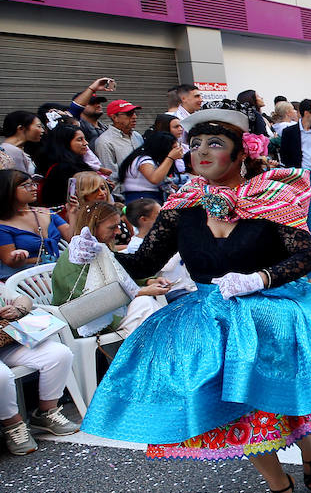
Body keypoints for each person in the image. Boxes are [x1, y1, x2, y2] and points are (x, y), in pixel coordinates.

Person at [74, 105, 311, 493]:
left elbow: (306, 257)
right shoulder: (182, 207)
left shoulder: (272, 197)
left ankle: (308, 447)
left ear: (241, 155)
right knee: (238, 414)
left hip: (266, 315)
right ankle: (278, 484)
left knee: (274, 404)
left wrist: (259, 278)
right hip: (206, 321)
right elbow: (145, 262)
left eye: (215, 144)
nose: (200, 152)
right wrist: (100, 254)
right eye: (194, 144)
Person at [52, 202, 169, 338]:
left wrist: (149, 281)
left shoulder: (100, 247)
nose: (118, 232)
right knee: (145, 306)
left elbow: (120, 272)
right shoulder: (77, 257)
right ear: (93, 227)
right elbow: (89, 303)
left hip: (109, 310)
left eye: (118, 226)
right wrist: (140, 291)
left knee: (147, 308)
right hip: (83, 321)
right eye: (112, 227)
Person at [0, 287, 79, 454]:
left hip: (8, 341)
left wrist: (17, 309)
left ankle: (46, 412)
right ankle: (13, 425)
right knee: (2, 376)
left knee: (59, 354)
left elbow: (24, 299)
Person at [0, 169, 71, 280]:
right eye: (26, 185)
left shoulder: (46, 212)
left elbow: (71, 237)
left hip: (55, 269)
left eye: (33, 184)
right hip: (23, 278)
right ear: (8, 190)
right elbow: (9, 261)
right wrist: (20, 258)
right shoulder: (3, 225)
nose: (34, 188)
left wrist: (73, 214)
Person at [116, 131, 183, 205]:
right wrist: (170, 158)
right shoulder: (144, 160)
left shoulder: (154, 160)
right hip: (140, 200)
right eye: (173, 148)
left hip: (151, 198)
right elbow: (154, 179)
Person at [93, 100, 143, 173]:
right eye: (129, 114)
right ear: (114, 117)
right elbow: (111, 175)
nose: (134, 117)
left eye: (135, 113)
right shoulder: (104, 142)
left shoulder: (137, 136)